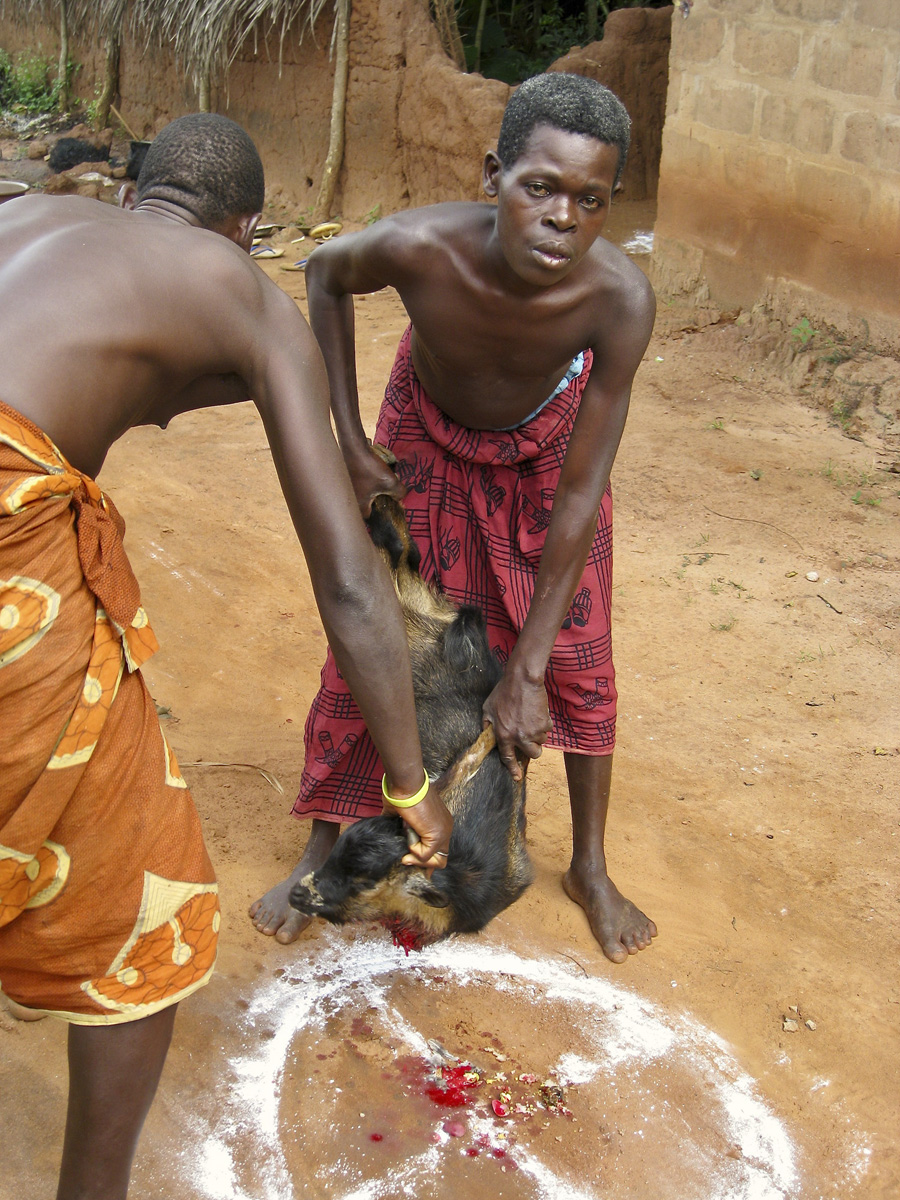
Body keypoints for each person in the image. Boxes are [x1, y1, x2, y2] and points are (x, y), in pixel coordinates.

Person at [0, 112, 451, 1200]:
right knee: (139, 898)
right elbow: (349, 582)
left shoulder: (28, 214)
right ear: (245, 232)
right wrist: (411, 784)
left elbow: (152, 365)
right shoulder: (243, 289)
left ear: (133, 194)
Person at [250, 73, 658, 964]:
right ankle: (324, 835)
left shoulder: (618, 302)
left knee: (578, 667)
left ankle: (588, 864)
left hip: (548, 456)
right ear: (493, 175)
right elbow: (322, 275)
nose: (562, 218)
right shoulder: (421, 246)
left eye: (589, 200)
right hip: (421, 434)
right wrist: (351, 440)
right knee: (384, 628)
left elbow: (583, 492)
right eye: (539, 187)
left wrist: (531, 669)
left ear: (608, 207)